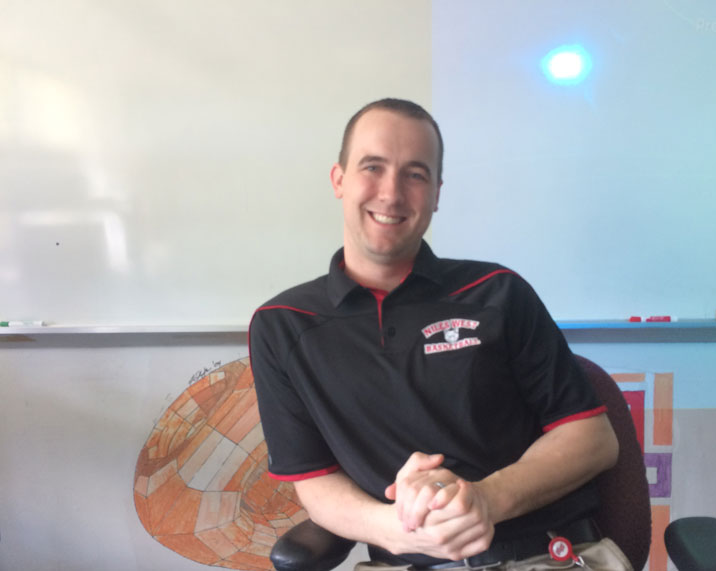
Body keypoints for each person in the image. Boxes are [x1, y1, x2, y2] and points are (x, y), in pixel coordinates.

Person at [249, 98, 622, 570]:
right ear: (339, 180)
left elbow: (593, 438)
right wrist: (393, 531)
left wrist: (485, 500)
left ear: (437, 193)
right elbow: (315, 482)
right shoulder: (283, 325)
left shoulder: (498, 293)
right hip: (404, 560)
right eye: (373, 167)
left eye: (415, 174)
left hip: (543, 555)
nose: (391, 193)